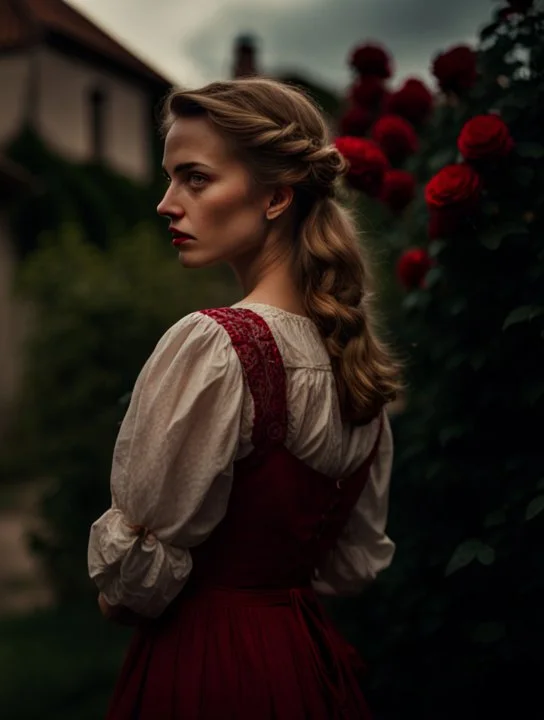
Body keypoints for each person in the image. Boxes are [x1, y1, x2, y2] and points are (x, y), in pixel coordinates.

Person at [87, 77, 401, 719]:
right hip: (303, 667)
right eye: (170, 178)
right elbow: (345, 568)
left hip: (208, 669)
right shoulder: (350, 362)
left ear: (276, 196)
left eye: (195, 178)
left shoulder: (218, 346)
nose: (166, 204)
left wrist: (121, 593)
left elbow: (129, 593)